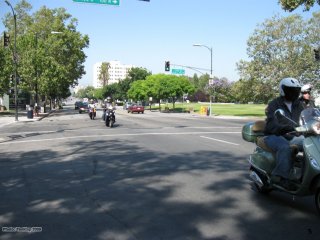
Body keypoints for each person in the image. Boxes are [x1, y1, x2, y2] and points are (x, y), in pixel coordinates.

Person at [264, 77, 304, 190]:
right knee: (284, 147)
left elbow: (305, 117)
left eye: (296, 90)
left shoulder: (299, 104)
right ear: (283, 90)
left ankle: (306, 174)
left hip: (292, 135)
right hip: (273, 135)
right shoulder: (274, 104)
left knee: (310, 143)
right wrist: (286, 127)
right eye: (290, 90)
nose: (294, 93)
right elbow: (272, 124)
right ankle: (280, 177)